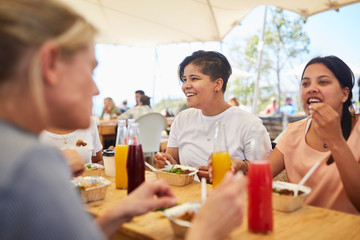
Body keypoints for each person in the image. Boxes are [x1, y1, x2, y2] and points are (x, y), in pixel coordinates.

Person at [0, 1, 247, 239]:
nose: (96, 89)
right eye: (90, 69)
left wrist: (119, 212)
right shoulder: (30, 165)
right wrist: (206, 229)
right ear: (50, 64)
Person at [155, 50, 271, 180]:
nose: (185, 86)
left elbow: (262, 173)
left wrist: (241, 167)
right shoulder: (182, 119)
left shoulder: (249, 123)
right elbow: (173, 161)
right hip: (189, 193)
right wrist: (168, 162)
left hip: (231, 195)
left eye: (194, 79)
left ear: (217, 84)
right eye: (184, 80)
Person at [268, 56, 360, 214]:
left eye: (323, 82)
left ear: (345, 94)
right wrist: (242, 166)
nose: (311, 88)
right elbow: (262, 173)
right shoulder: (293, 132)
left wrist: (336, 140)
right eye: (305, 83)